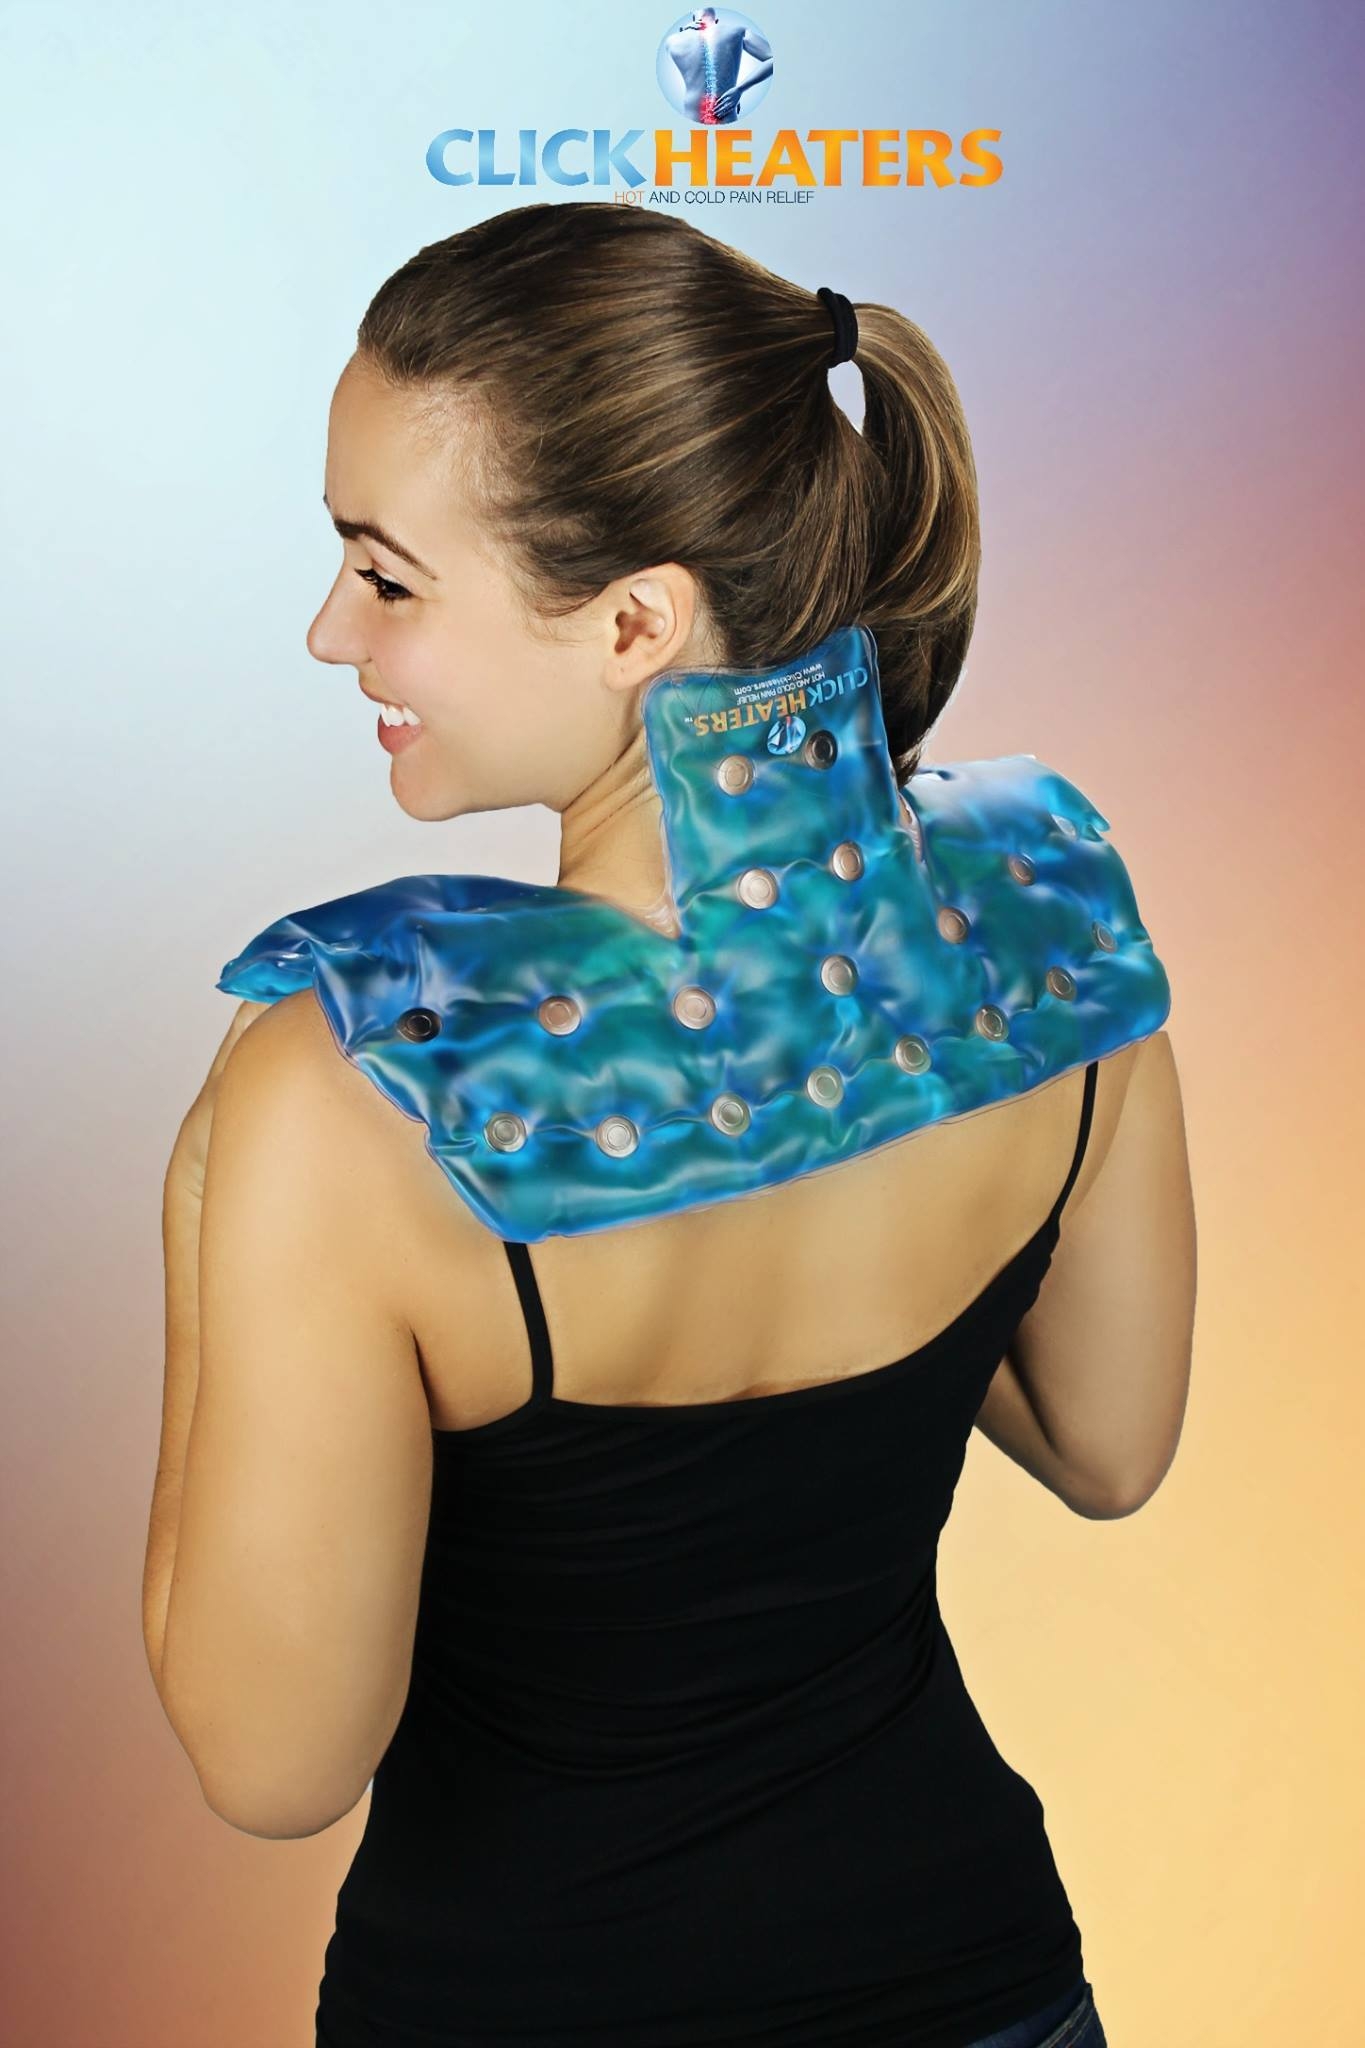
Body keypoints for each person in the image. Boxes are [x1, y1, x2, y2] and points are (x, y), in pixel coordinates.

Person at [189, 202, 1197, 2046]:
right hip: (977, 1984)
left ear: (637, 621)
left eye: (387, 578)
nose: (332, 634)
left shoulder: (358, 1080)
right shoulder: (1042, 906)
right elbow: (1108, 1444)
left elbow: (274, 1763)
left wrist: (216, 1205)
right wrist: (876, 1093)